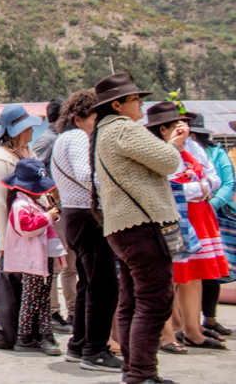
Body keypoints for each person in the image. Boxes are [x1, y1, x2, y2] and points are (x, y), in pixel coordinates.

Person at [91, 73, 182, 384]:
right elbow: (169, 161)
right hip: (142, 224)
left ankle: (135, 368)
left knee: (132, 300)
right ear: (117, 105)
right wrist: (173, 144)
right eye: (134, 99)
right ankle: (142, 372)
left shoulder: (105, 132)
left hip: (122, 226)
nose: (140, 103)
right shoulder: (124, 129)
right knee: (155, 298)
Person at [144, 103, 229, 350]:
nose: (183, 128)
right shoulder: (156, 150)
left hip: (198, 214)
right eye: (176, 124)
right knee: (171, 275)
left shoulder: (192, 148)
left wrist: (202, 188)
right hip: (174, 215)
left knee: (194, 274)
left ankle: (193, 329)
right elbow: (168, 185)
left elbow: (213, 178)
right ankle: (167, 332)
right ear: (162, 129)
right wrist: (197, 188)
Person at [51, 89, 122, 371]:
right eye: (96, 117)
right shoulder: (79, 138)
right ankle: (95, 350)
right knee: (104, 286)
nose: (99, 123)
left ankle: (79, 345)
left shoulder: (62, 139)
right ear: (80, 118)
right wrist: (118, 189)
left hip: (73, 216)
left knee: (88, 283)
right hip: (88, 217)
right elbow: (85, 175)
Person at [2, 158, 67, 356]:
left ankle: (43, 335)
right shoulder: (21, 204)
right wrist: (49, 217)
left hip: (40, 258)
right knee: (32, 299)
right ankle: (26, 336)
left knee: (42, 298)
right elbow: (27, 228)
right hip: (32, 260)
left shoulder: (31, 202)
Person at [34, 96, 76, 333]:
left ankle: (72, 312)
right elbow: (33, 175)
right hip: (56, 212)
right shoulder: (48, 140)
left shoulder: (65, 138)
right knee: (56, 265)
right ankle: (52, 312)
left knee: (70, 266)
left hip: (68, 211)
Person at [0, 104, 42, 256]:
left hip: (33, 223)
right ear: (21, 131)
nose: (33, 131)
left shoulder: (29, 151)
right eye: (29, 127)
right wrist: (3, 242)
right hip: (12, 226)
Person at [196, 115, 235, 337]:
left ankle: (209, 318)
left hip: (216, 216)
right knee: (191, 269)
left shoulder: (218, 153)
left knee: (213, 268)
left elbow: (228, 182)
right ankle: (188, 320)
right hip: (192, 214)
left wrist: (212, 204)